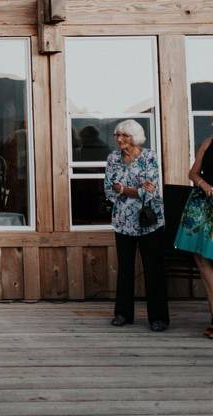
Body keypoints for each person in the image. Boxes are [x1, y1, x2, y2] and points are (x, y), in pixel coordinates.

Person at [104, 119, 169, 332]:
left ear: (135, 137)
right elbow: (109, 189)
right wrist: (133, 189)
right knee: (125, 269)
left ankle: (158, 318)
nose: (120, 139)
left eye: (125, 135)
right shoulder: (113, 158)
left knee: (154, 270)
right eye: (118, 135)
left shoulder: (150, 156)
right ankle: (123, 314)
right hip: (123, 222)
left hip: (150, 221)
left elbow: (149, 191)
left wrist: (123, 188)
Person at [175, 123, 213, 338]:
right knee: (203, 261)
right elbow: (192, 173)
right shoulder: (208, 143)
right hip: (203, 206)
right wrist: (203, 183)